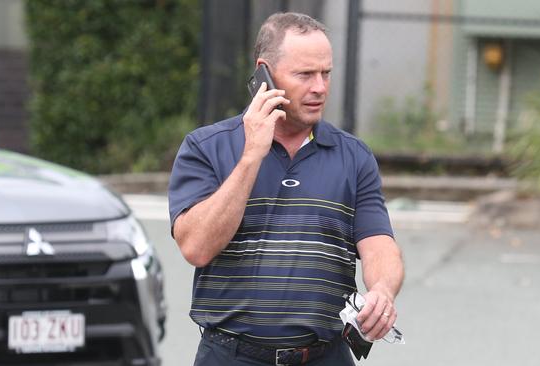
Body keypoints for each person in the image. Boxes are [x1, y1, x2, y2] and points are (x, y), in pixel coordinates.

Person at [168, 12, 404, 366]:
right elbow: (197, 247)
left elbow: (379, 246)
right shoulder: (206, 147)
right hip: (230, 356)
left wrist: (383, 290)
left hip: (327, 355)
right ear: (265, 72)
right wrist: (251, 157)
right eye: (305, 75)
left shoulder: (354, 156)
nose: (320, 87)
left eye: (326, 73)